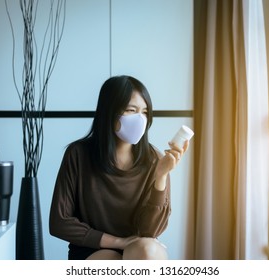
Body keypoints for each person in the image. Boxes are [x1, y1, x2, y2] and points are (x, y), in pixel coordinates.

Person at [49, 75, 189, 260]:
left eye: (145, 112)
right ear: (109, 112)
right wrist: (118, 242)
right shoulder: (78, 154)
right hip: (92, 250)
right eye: (132, 110)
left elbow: (150, 232)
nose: (140, 119)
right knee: (111, 260)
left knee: (148, 250)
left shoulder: (156, 159)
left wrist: (161, 176)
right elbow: (59, 222)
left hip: (138, 250)